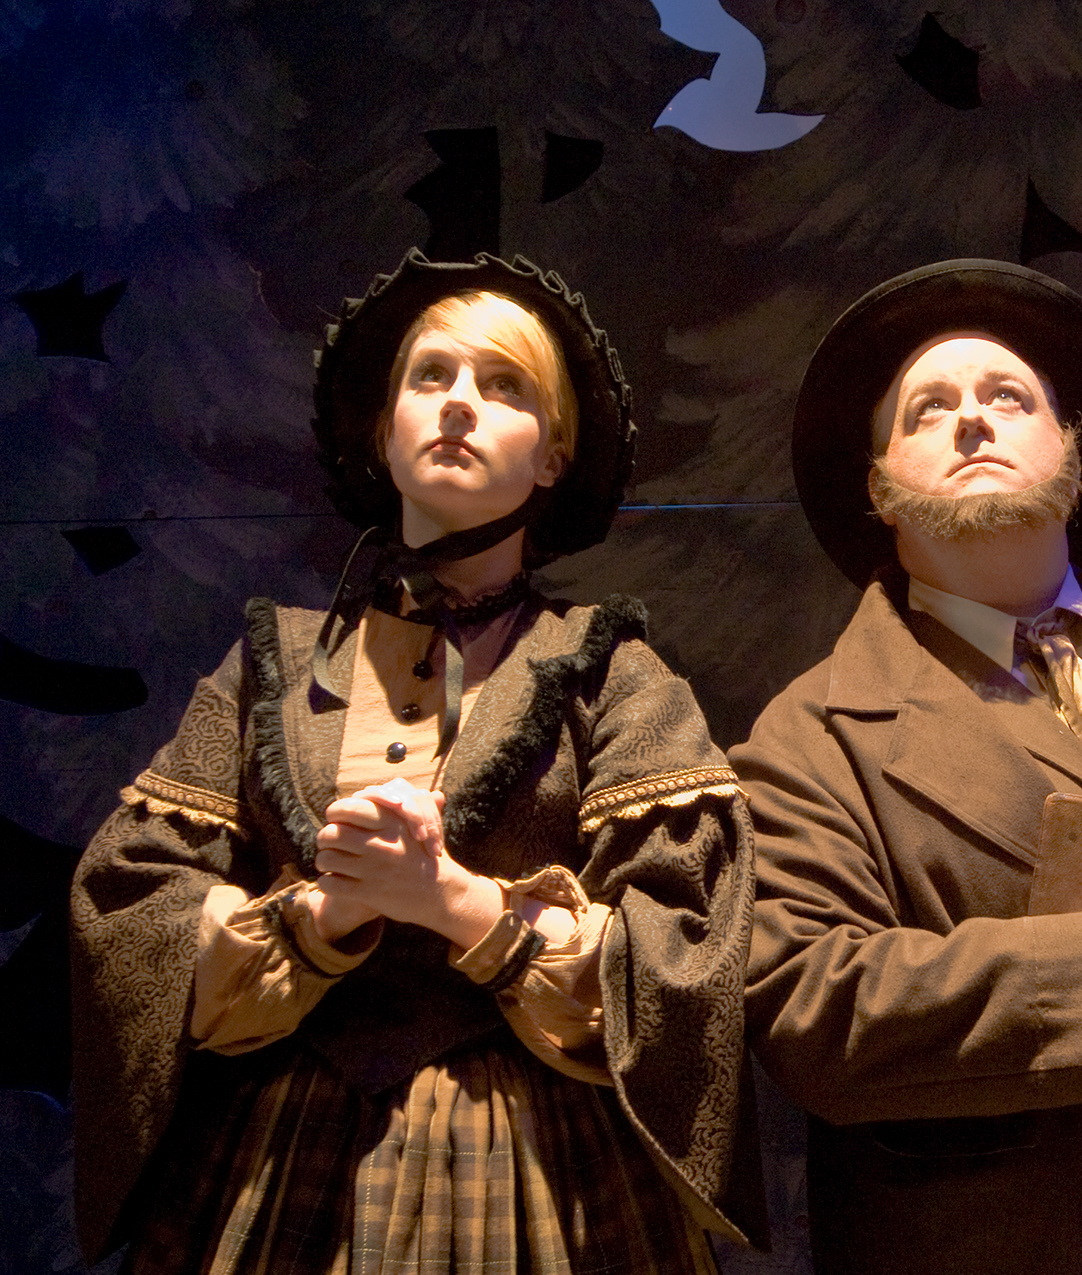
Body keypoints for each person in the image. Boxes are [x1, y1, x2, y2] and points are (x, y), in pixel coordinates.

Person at [70, 251, 762, 1273]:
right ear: (382, 433)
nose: (458, 406)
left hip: (541, 1177)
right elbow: (135, 911)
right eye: (429, 378)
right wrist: (325, 917)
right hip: (280, 1163)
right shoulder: (272, 665)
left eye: (503, 385)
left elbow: (684, 958)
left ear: (553, 457)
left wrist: (457, 904)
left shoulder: (611, 672)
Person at [733, 259, 1082, 1274]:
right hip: (982, 1242)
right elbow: (805, 1006)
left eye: (1007, 398)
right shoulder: (812, 737)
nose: (972, 422)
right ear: (878, 487)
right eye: (928, 409)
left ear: (1070, 448)